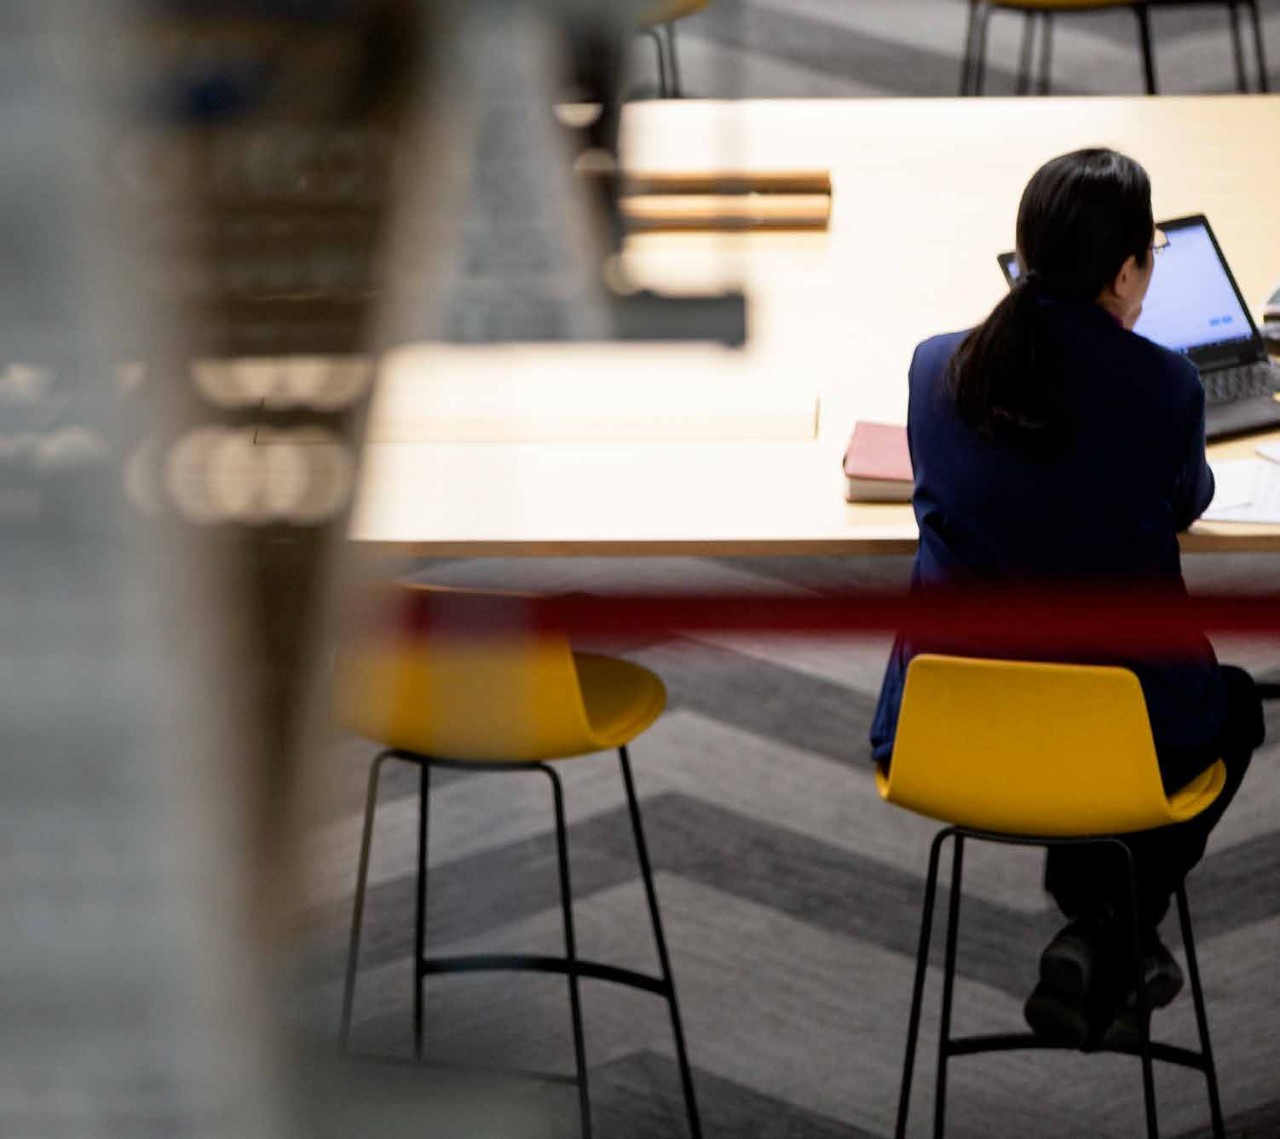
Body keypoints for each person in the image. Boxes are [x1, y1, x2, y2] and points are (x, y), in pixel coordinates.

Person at [869, 148, 1265, 1048]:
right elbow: (1187, 501)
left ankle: (1100, 926)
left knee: (1069, 683)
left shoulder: (938, 368)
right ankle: (1109, 927)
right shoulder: (1165, 383)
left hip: (947, 729)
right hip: (1120, 731)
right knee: (1238, 706)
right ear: (1126, 271)